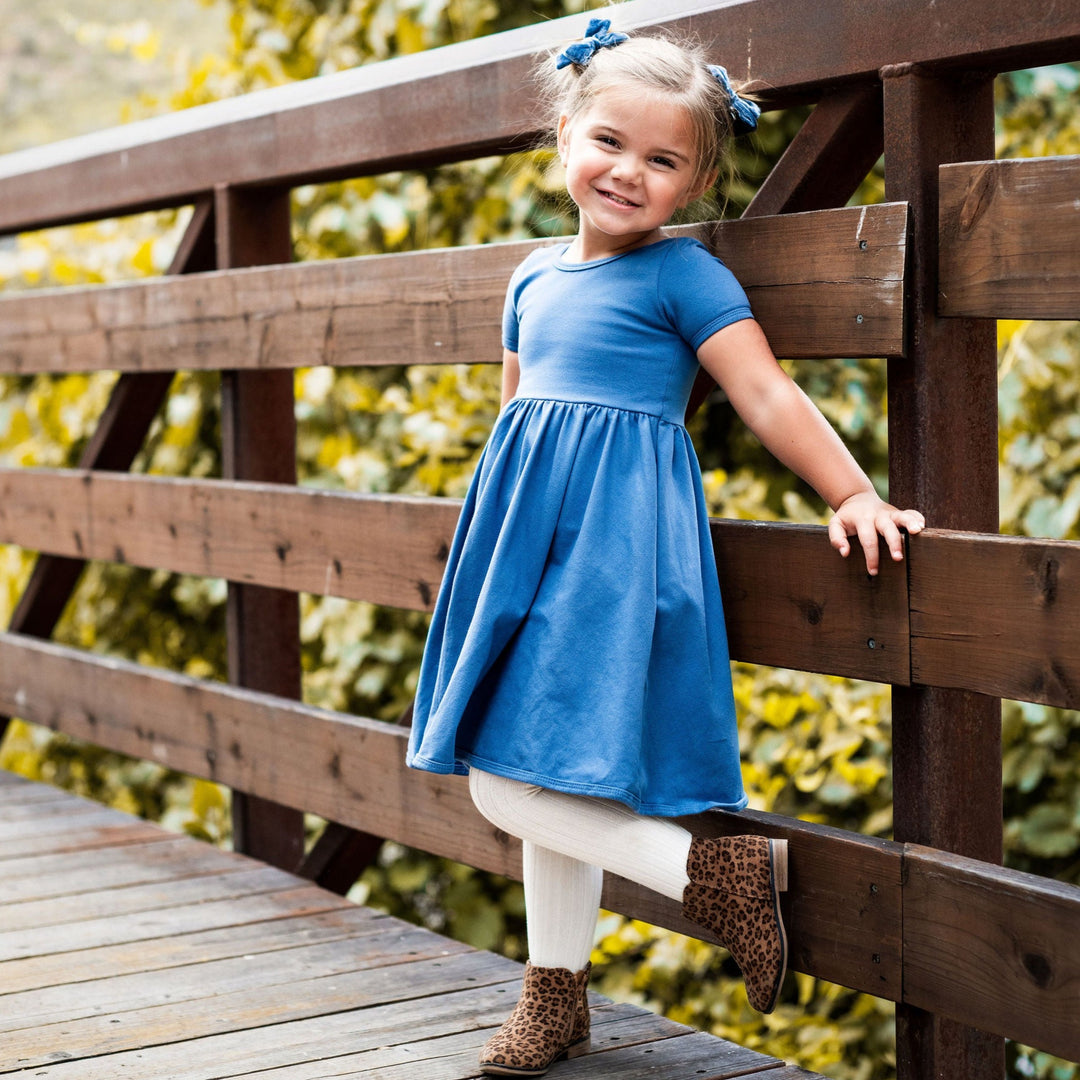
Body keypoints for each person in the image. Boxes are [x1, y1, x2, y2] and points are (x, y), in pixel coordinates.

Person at [407, 18, 924, 1077]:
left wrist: (854, 489)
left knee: (507, 780)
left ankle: (718, 875)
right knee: (541, 772)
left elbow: (766, 392)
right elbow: (516, 418)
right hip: (521, 546)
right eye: (608, 143)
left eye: (662, 160)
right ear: (563, 138)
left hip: (613, 551)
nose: (628, 173)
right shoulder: (532, 279)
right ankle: (554, 1000)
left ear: (693, 184)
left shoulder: (681, 280)